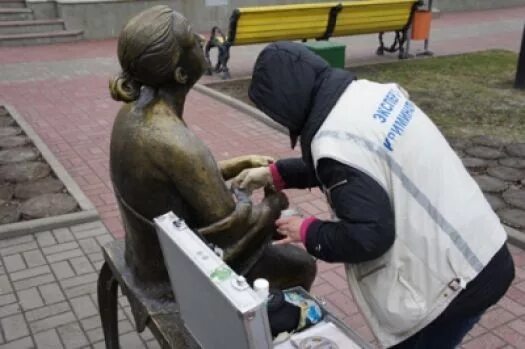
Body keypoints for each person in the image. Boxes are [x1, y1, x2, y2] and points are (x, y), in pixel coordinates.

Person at [233, 41, 515, 349]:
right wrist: (277, 174)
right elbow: (361, 164)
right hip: (481, 249)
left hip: (455, 284)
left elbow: (369, 237)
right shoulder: (369, 95)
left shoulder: (334, 142)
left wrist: (307, 230)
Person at [108, 8, 316, 300]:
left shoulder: (132, 111)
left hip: (146, 254)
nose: (201, 37)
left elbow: (184, 178)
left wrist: (239, 165)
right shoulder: (175, 140)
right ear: (181, 74)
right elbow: (231, 230)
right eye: (190, 40)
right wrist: (274, 204)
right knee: (301, 265)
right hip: (170, 275)